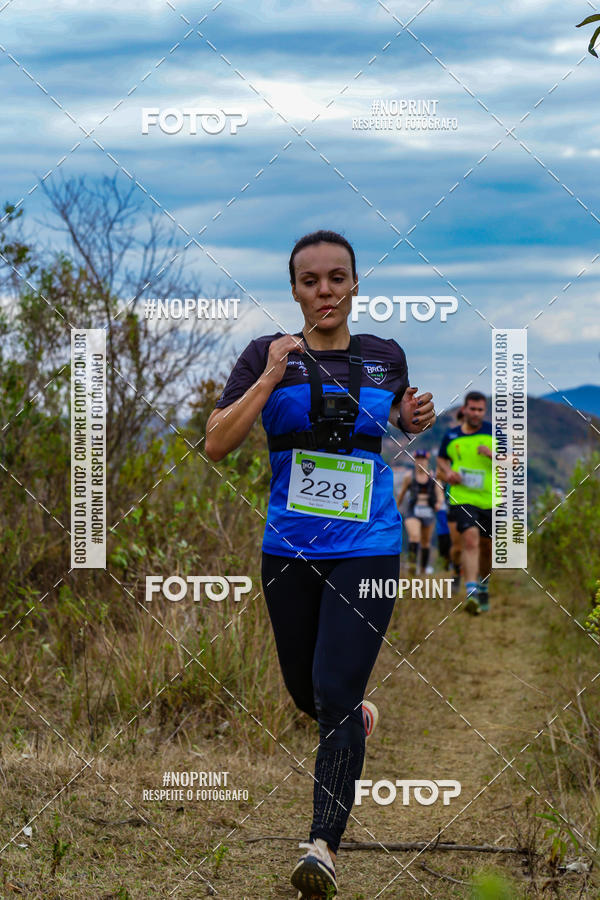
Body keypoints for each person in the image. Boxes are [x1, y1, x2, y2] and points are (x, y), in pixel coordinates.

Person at [205, 229, 436, 899]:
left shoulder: (384, 356)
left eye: (338, 278)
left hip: (367, 548)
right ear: (295, 289)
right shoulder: (262, 355)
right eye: (311, 280)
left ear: (356, 284)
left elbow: (397, 419)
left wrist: (413, 416)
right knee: (307, 694)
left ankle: (321, 846)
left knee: (334, 695)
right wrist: (274, 374)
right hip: (289, 550)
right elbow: (217, 443)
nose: (325, 290)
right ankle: (353, 717)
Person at [437, 392, 494, 614]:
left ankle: (484, 586)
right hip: (462, 497)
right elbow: (441, 459)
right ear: (465, 409)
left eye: (480, 410)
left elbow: (513, 461)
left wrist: (492, 455)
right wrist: (448, 472)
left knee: (487, 548)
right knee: (470, 538)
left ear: (484, 411)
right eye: (472, 409)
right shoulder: (451, 436)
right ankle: (471, 593)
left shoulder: (493, 433)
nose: (476, 413)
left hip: (489, 499)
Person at [395, 449, 444, 574]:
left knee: (426, 542)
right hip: (413, 511)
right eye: (418, 459)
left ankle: (422, 569)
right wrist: (395, 510)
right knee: (414, 536)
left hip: (429, 511)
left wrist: (439, 502)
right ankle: (412, 567)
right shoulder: (409, 477)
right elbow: (401, 495)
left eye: (423, 459)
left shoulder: (433, 478)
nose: (420, 461)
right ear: (415, 461)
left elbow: (440, 493)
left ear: (427, 461)